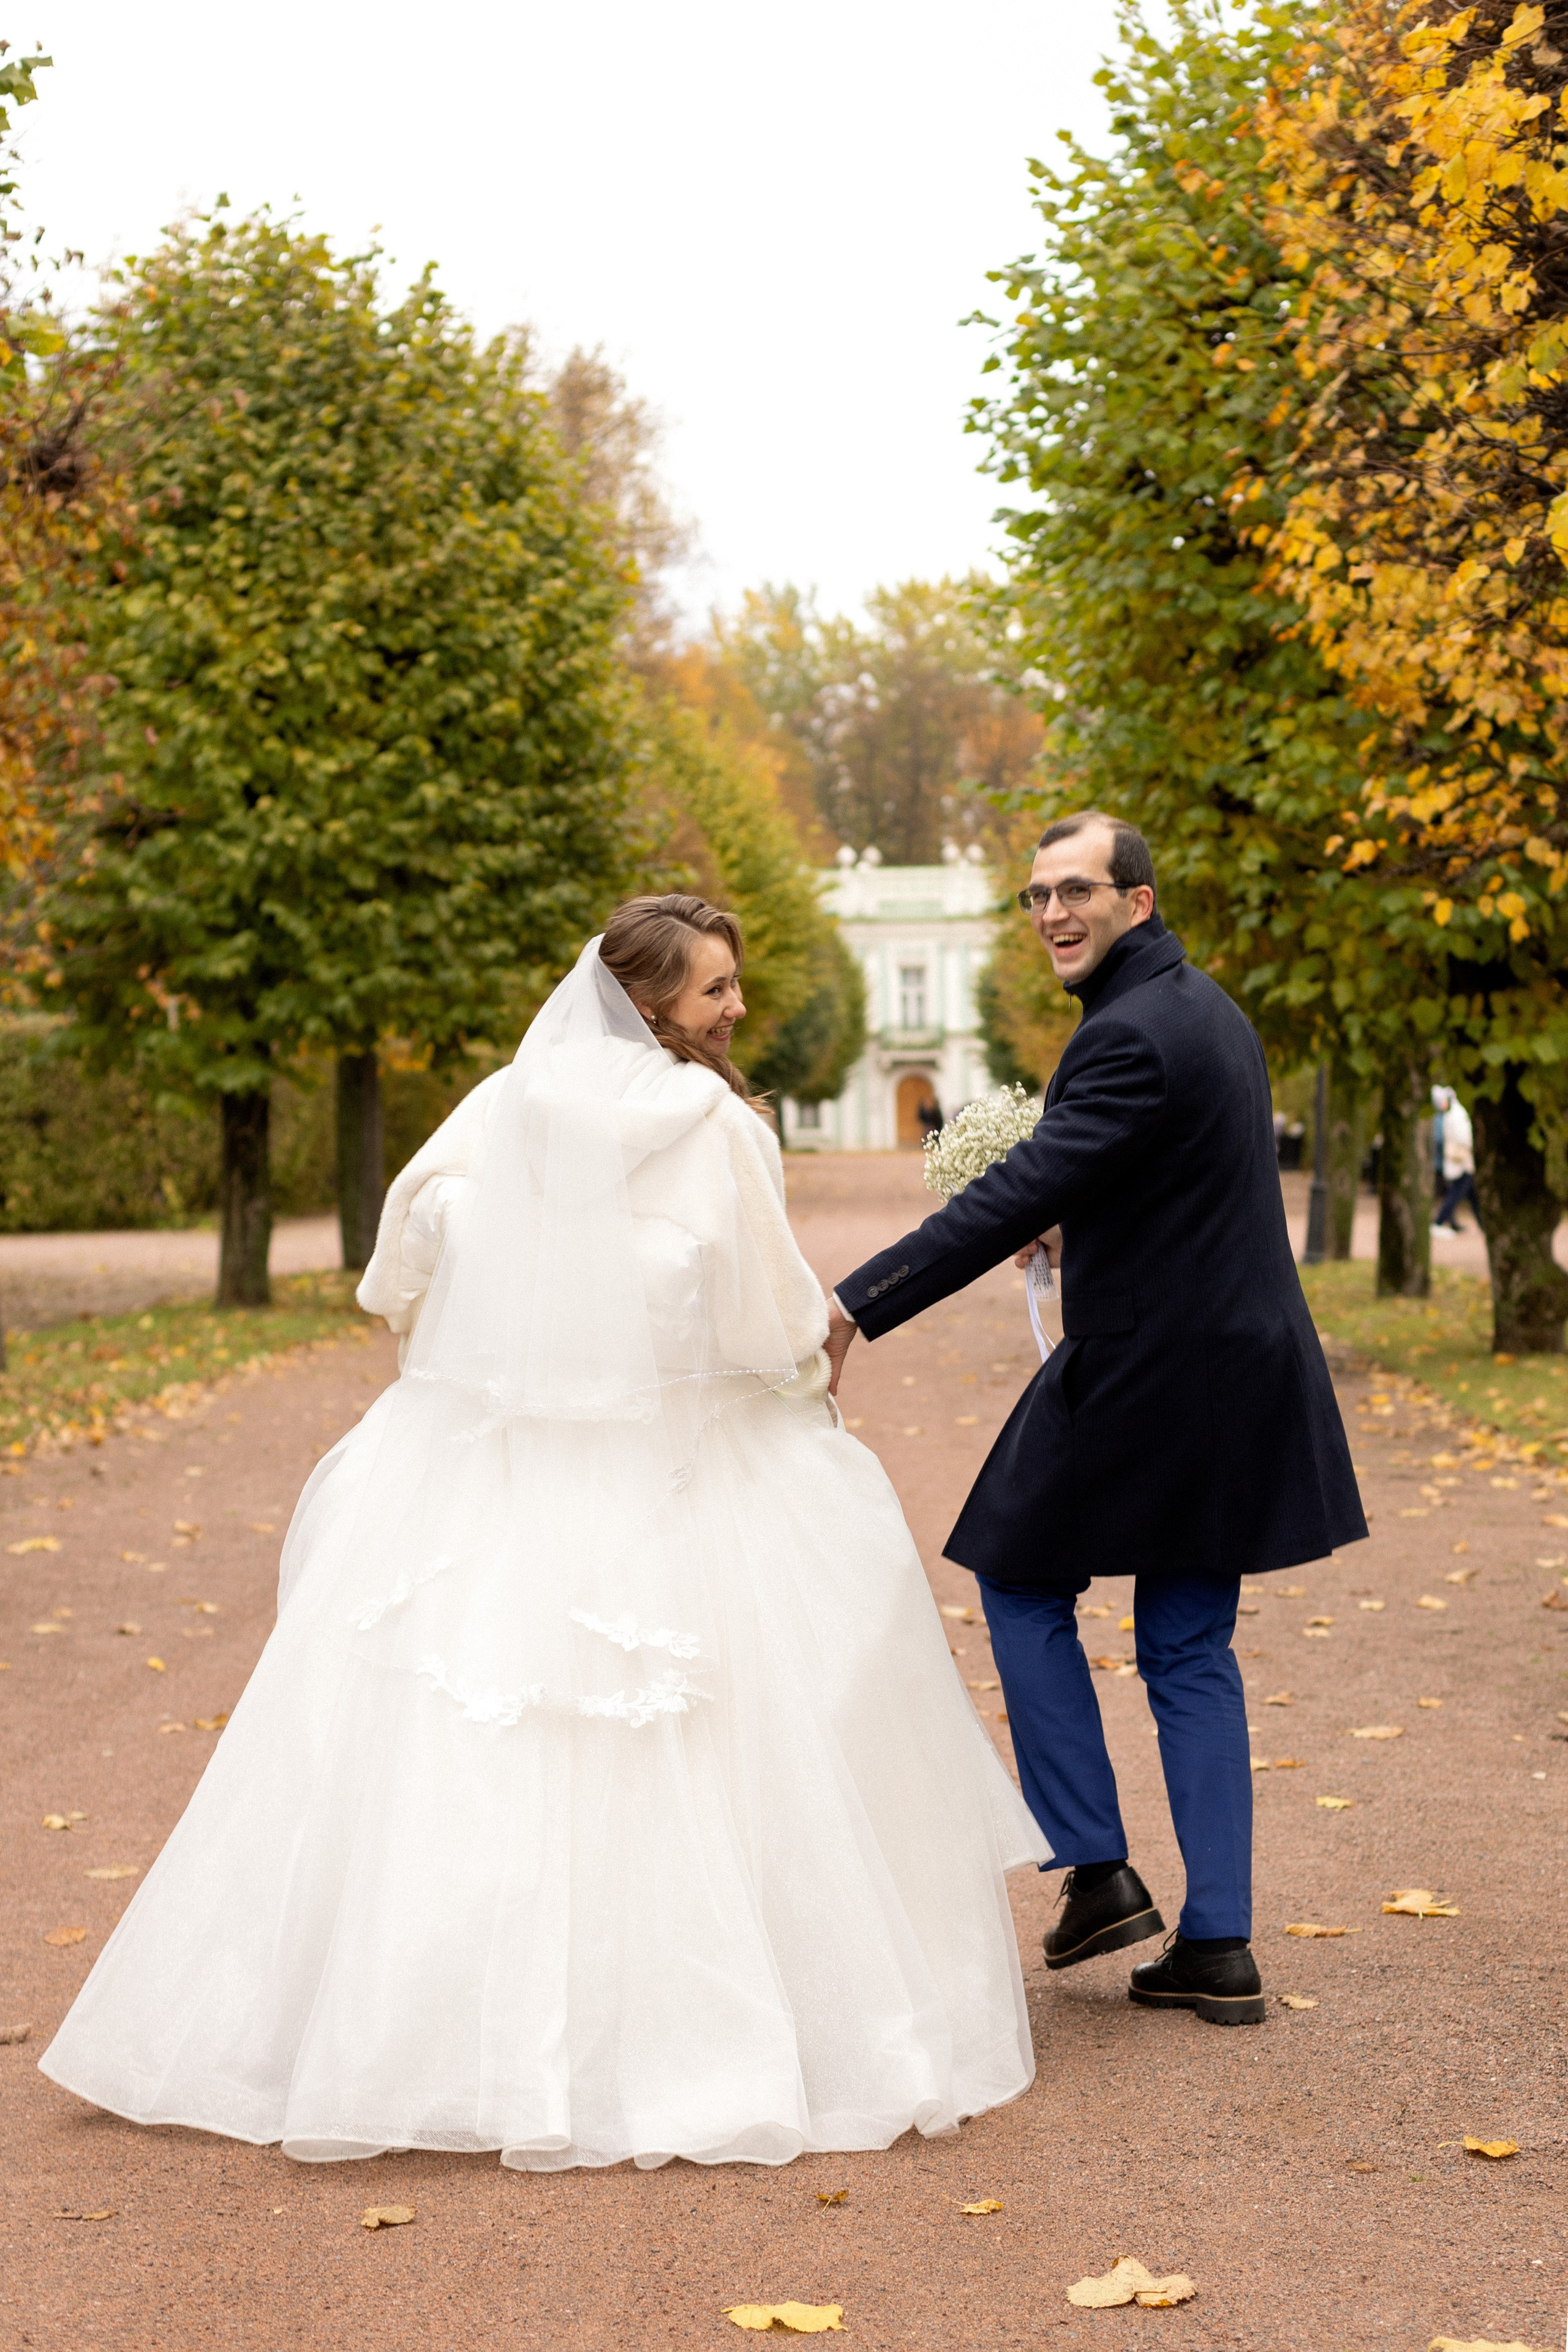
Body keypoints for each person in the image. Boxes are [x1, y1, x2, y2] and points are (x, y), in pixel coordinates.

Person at [40, 895, 1046, 2171]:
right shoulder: (722, 1126)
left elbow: (396, 1272)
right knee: (724, 1748)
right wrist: (802, 1382)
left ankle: (428, 2039)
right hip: (680, 1476)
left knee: (455, 1756)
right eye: (711, 993)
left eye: (730, 986)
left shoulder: (501, 1108)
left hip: (498, 1475)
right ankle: (732, 2033)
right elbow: (759, 1322)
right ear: (647, 1004)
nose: (733, 1009)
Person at [825, 815, 1366, 2027]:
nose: (1052, 914)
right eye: (1033, 898)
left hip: (1146, 1371)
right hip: (1233, 1369)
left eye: (1073, 890)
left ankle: (1095, 1864)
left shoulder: (1128, 1033)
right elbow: (1173, 1182)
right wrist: (1085, 1227)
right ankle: (1216, 1946)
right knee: (1185, 1646)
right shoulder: (1202, 1010)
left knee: (1014, 1576)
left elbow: (1020, 1185)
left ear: (1137, 895)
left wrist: (856, 1303)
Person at [1430, 1085, 1480, 1234]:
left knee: (1468, 1194)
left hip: (1460, 1161)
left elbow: (1462, 1138)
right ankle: (1439, 1222)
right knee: (1458, 1193)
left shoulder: (1455, 1114)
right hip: (1459, 1162)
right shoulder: (1451, 1114)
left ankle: (1441, 1221)